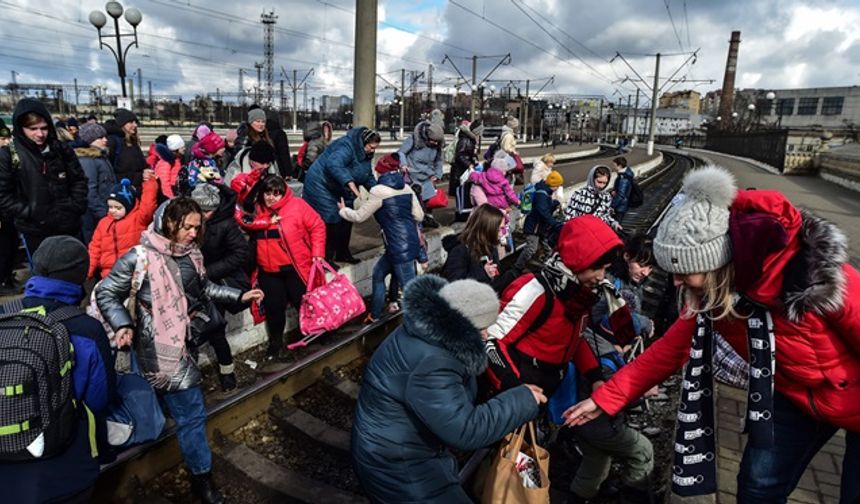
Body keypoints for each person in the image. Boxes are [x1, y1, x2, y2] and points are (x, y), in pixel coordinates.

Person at [564, 166, 860, 503]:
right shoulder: (716, 299)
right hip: (796, 397)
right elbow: (667, 352)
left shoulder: (818, 280)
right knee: (756, 487)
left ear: (715, 264)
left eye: (684, 272)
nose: (674, 283)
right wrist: (604, 399)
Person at [96, 198, 263, 504]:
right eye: (186, 226)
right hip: (156, 349)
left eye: (196, 228)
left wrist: (238, 295)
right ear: (167, 222)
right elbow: (106, 291)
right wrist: (122, 324)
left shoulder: (192, 255)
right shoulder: (139, 257)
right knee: (192, 414)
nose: (192, 233)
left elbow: (203, 289)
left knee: (179, 411)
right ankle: (203, 481)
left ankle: (198, 477)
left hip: (182, 343)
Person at [351, 275, 546, 503]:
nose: (486, 335)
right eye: (481, 328)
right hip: (397, 466)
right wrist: (523, 400)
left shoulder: (428, 334)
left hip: (398, 448)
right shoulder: (433, 362)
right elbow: (464, 431)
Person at [0, 236, 116, 504]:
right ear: (79, 276)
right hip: (63, 471)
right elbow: (99, 399)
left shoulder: (5, 314)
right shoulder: (87, 329)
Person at [484, 215, 636, 397]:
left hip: (548, 386)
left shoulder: (581, 295)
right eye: (596, 268)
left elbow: (575, 340)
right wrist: (514, 388)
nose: (601, 277)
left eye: (605, 268)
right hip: (521, 388)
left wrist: (596, 377)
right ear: (576, 260)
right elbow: (492, 341)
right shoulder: (536, 290)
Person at [232, 171, 326, 362]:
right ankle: (276, 345)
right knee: (274, 310)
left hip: (295, 269)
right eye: (267, 193)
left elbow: (317, 226)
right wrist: (251, 179)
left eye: (276, 193)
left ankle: (315, 337)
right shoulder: (256, 210)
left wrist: (317, 253)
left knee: (305, 305)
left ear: (283, 193)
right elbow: (238, 193)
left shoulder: (298, 206)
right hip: (268, 271)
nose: (271, 198)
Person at [337, 153, 424, 322]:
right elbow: (419, 216)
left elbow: (360, 216)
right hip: (406, 243)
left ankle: (423, 328)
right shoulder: (407, 188)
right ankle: (375, 315)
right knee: (378, 274)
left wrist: (343, 210)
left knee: (412, 292)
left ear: (380, 172)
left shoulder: (378, 191)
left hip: (398, 247)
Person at [0, 98, 88, 255]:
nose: (40, 134)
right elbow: (3, 195)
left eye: (44, 128)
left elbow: (79, 180)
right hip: (36, 230)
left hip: (69, 225)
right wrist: (29, 212)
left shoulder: (61, 149)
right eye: (33, 129)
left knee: (73, 273)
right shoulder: (9, 155)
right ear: (20, 128)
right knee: (44, 276)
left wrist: (76, 205)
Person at [191, 182, 249, 394]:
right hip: (190, 283)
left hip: (215, 281)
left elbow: (240, 254)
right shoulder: (187, 220)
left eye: (208, 211)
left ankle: (227, 371)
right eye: (200, 210)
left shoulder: (225, 224)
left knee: (215, 330)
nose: (204, 215)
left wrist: (208, 271)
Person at [303, 127, 380, 264]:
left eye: (374, 148)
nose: (372, 150)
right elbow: (334, 164)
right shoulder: (346, 145)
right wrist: (350, 182)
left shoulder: (366, 155)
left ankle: (343, 253)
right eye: (370, 147)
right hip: (321, 185)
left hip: (340, 187)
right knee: (332, 218)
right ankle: (326, 257)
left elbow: (366, 175)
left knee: (347, 217)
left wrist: (379, 192)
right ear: (363, 143)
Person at [87, 173, 158, 280]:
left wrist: (149, 182)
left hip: (134, 272)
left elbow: (148, 204)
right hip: (108, 274)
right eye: (110, 207)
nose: (113, 211)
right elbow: (94, 249)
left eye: (118, 207)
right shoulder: (103, 223)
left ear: (129, 206)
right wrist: (89, 272)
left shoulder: (137, 219)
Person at [441, 204, 522, 293]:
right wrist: (483, 274)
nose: (501, 234)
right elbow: (453, 287)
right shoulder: (459, 251)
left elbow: (492, 282)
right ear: (487, 229)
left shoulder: (490, 247)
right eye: (499, 229)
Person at [75, 122, 117, 244]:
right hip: (95, 215)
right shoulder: (87, 160)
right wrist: (103, 213)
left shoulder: (100, 157)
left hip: (104, 209)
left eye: (105, 137)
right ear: (89, 140)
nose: (105, 140)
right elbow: (89, 191)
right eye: (100, 138)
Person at [398, 119, 444, 228]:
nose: (435, 143)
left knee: (428, 202)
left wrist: (437, 174)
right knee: (415, 202)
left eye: (437, 142)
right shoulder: (414, 139)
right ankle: (414, 224)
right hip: (412, 175)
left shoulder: (436, 146)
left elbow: (438, 161)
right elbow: (401, 152)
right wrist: (403, 165)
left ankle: (427, 219)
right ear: (427, 136)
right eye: (433, 141)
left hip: (427, 176)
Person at [519, 170, 565, 269]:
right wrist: (555, 224)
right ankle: (518, 267)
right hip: (534, 227)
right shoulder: (542, 195)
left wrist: (554, 203)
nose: (557, 188)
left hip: (539, 227)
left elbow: (544, 208)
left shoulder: (545, 191)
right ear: (553, 184)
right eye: (557, 185)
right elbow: (543, 212)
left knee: (547, 247)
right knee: (531, 249)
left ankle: (546, 264)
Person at [566, 164, 621, 230]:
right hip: (581, 232)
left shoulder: (606, 196)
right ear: (592, 179)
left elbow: (605, 215)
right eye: (599, 182)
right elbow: (569, 215)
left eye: (605, 183)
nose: (602, 186)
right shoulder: (579, 194)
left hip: (597, 232)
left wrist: (613, 222)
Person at [108, 108, 147, 188]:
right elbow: (110, 174)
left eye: (136, 122)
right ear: (122, 125)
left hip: (137, 189)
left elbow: (139, 166)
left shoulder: (133, 142)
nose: (135, 125)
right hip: (122, 191)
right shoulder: (113, 142)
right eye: (131, 122)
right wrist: (140, 176)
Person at [178, 131, 225, 196]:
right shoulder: (204, 163)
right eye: (221, 147)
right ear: (212, 149)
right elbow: (215, 180)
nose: (224, 149)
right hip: (202, 196)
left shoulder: (209, 161)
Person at [0, 119, 17, 295]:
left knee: (10, 245)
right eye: (2, 139)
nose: (6, 142)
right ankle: (3, 281)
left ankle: (7, 275)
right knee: (3, 248)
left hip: (8, 211)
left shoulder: (6, 158)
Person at [449, 119, 483, 197]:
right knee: (461, 192)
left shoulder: (470, 139)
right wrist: (469, 164)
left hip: (463, 168)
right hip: (461, 170)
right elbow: (460, 155)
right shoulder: (465, 140)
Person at [147, 134, 184, 199]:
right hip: (168, 195)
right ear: (176, 149)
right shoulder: (166, 163)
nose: (184, 148)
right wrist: (170, 198)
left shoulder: (176, 160)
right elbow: (164, 183)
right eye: (182, 147)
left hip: (176, 191)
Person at [266, 110, 294, 179]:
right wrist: (288, 172)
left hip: (267, 169)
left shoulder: (264, 133)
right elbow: (284, 153)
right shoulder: (280, 133)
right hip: (279, 169)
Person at [610, 156, 635, 221]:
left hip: (620, 207)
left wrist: (612, 206)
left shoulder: (623, 178)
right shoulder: (627, 174)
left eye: (614, 165)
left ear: (620, 166)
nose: (613, 167)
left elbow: (620, 194)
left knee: (616, 225)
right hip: (622, 205)